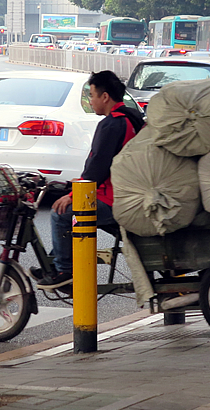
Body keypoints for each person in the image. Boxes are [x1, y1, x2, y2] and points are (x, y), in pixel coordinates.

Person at [31, 71, 144, 289]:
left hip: (113, 200)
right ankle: (57, 264)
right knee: (68, 216)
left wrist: (73, 194)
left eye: (92, 95)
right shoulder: (131, 118)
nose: (90, 101)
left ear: (105, 97)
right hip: (123, 193)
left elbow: (98, 167)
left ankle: (64, 270)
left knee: (61, 213)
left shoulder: (112, 124)